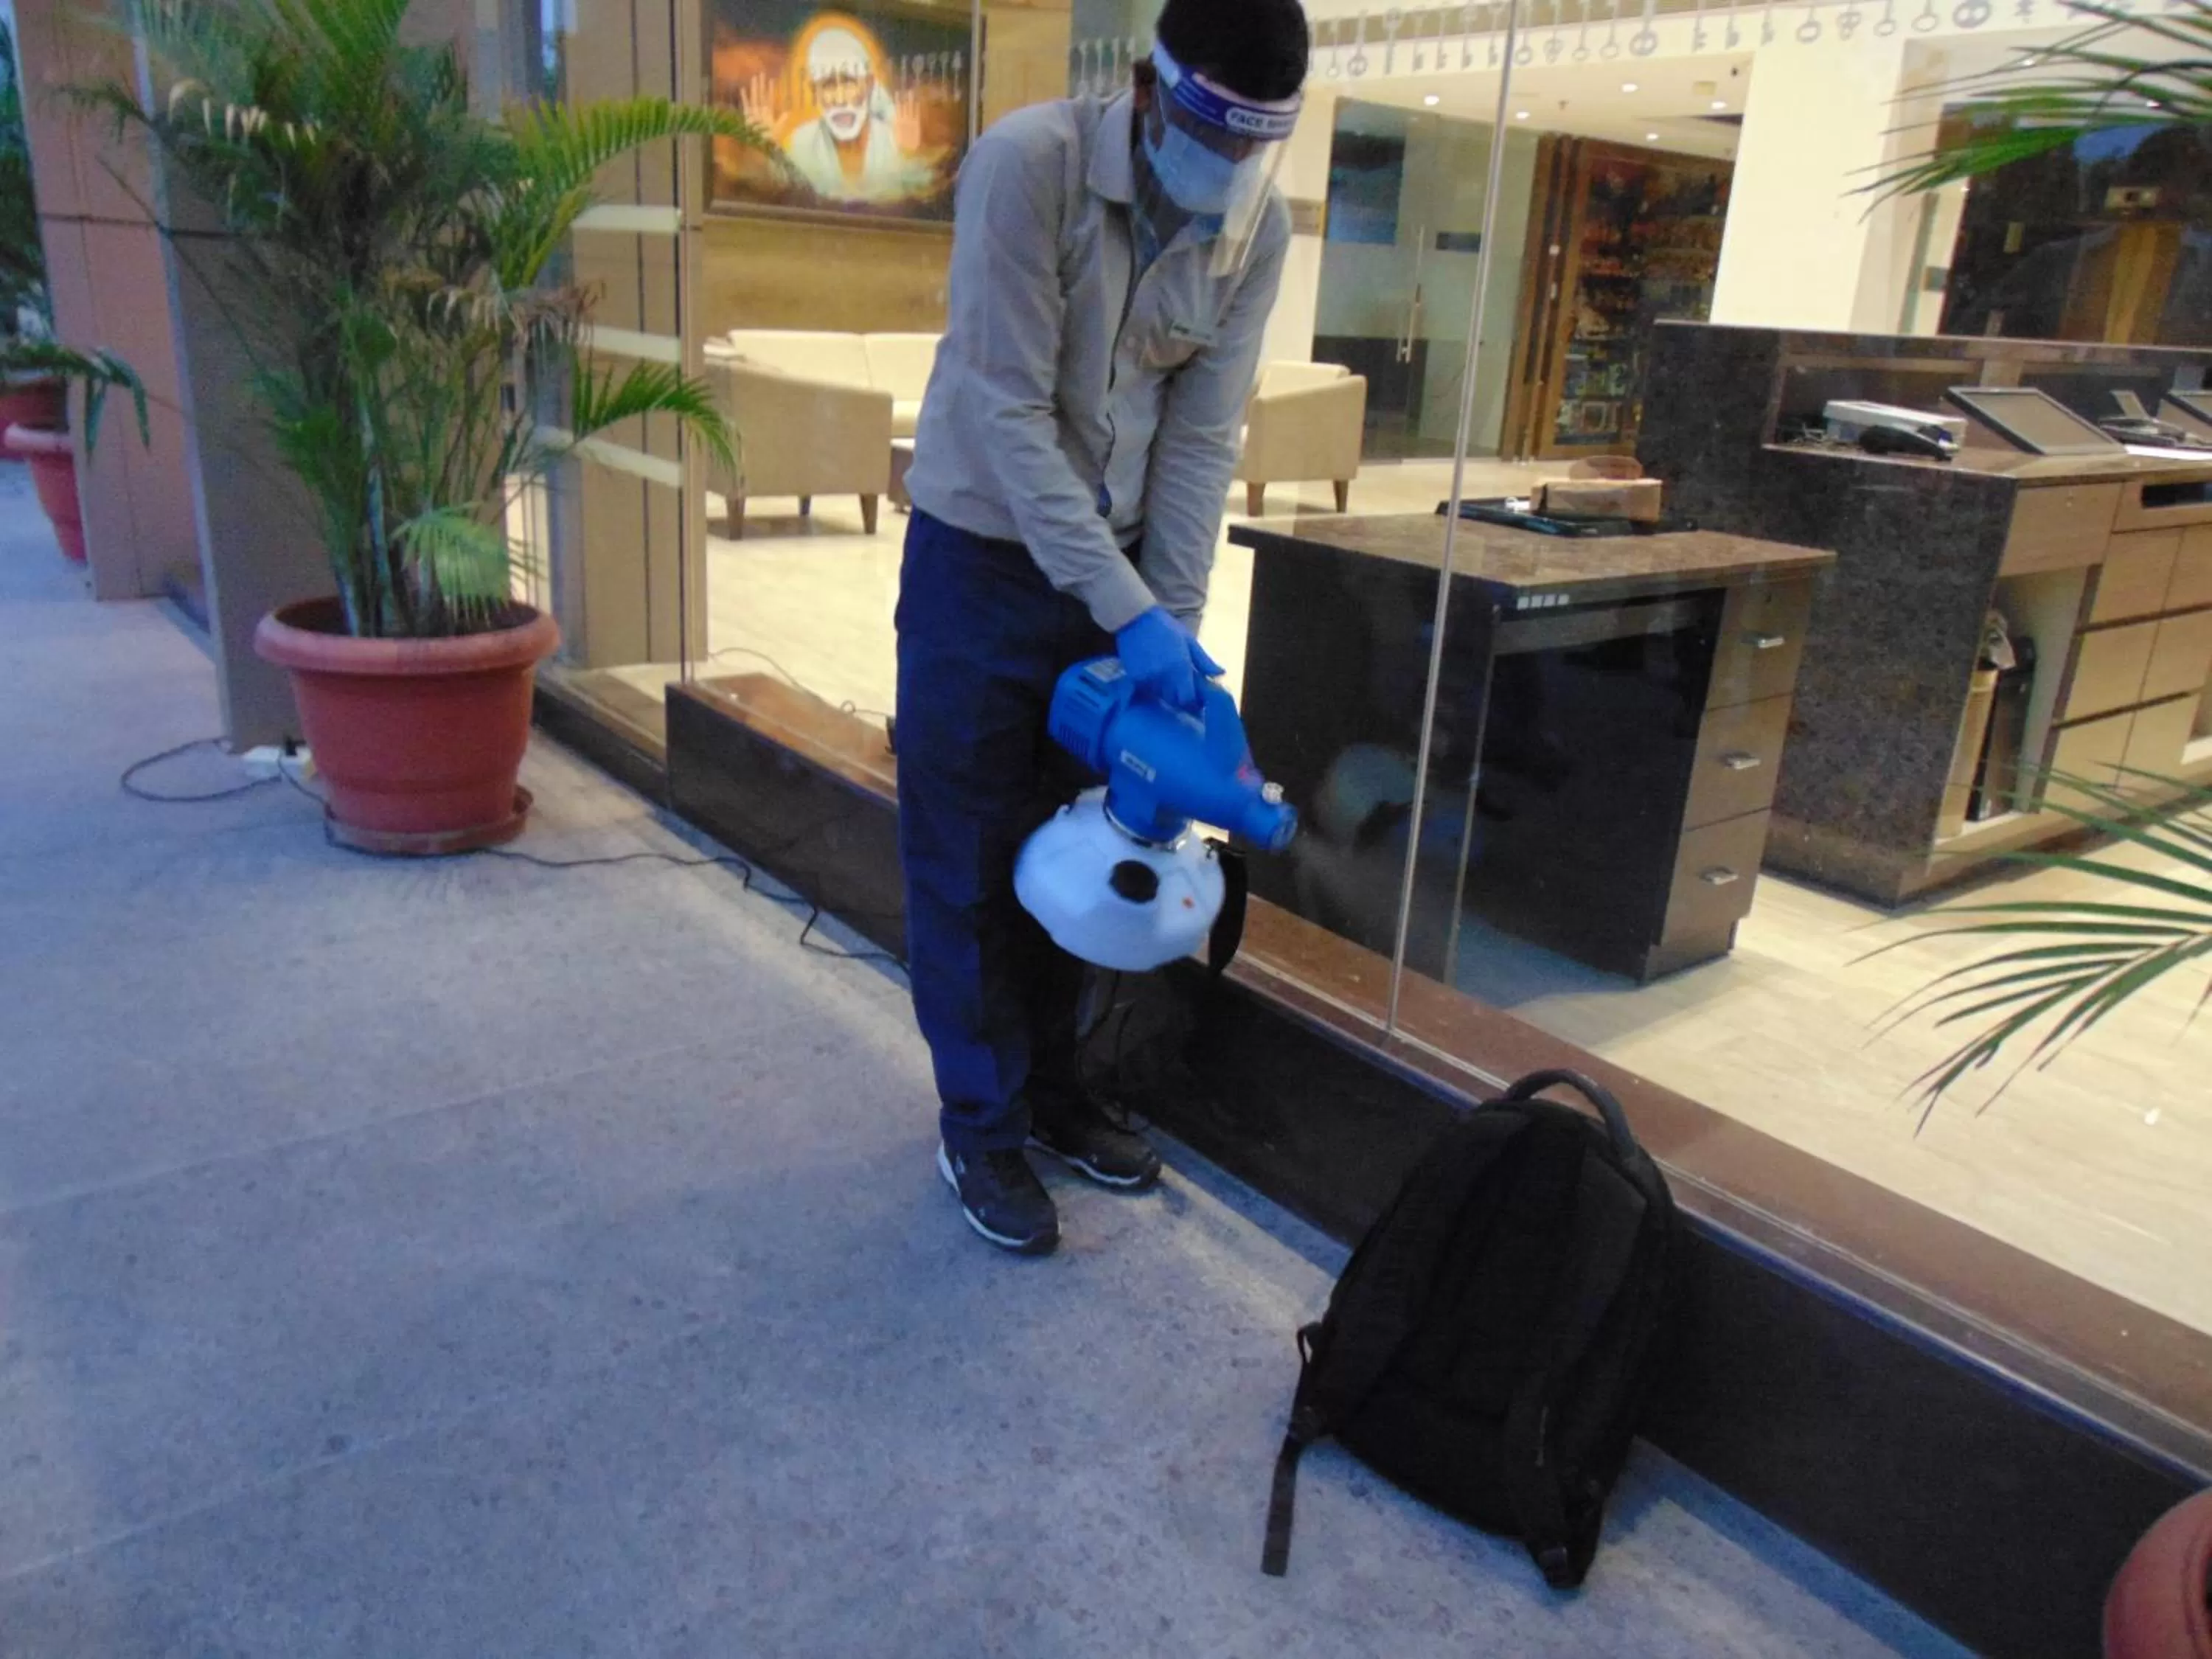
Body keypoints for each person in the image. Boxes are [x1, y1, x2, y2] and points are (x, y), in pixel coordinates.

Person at [898, 0, 1311, 1254]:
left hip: (1122, 579)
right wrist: (1126, 614)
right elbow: (1011, 416)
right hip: (983, 556)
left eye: (1252, 148)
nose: (1224, 170)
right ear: (1147, 87)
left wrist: (1169, 637)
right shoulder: (1032, 167)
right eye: (1206, 132)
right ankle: (980, 1121)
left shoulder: (1259, 227)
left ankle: (1063, 1094)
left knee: (1098, 840)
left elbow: (1200, 440)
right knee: (969, 850)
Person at [776, 26, 929, 205]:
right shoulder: (801, 143)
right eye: (829, 84)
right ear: (814, 91)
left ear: (869, 84)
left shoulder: (894, 142)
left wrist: (907, 155)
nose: (840, 99)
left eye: (849, 82)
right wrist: (764, 149)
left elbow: (918, 199)